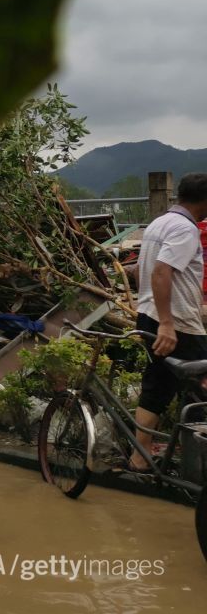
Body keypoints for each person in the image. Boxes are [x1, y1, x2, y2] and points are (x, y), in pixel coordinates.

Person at [130, 172, 207, 471]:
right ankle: (196, 466)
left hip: (149, 316)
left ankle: (140, 458)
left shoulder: (159, 223)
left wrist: (148, 307)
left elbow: (140, 269)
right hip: (178, 325)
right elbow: (161, 271)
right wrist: (166, 323)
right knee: (201, 385)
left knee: (158, 384)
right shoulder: (185, 229)